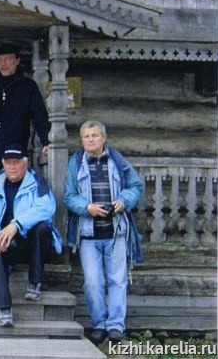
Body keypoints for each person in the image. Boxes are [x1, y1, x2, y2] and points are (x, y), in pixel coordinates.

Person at [64, 120, 143, 344]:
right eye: (86, 136)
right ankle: (98, 324)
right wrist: (86, 207)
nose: (90, 139)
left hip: (116, 231)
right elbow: (69, 196)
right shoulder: (76, 162)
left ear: (104, 138)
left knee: (118, 280)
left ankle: (116, 326)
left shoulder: (117, 160)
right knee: (93, 282)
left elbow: (135, 187)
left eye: (95, 135)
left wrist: (124, 201)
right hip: (88, 234)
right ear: (82, 140)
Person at [0, 143, 61, 328]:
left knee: (42, 228)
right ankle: (4, 308)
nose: (12, 167)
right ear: (3, 164)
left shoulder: (37, 181)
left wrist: (16, 224)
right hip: (8, 244)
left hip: (32, 244)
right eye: (8, 163)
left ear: (25, 164)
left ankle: (35, 282)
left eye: (16, 162)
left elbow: (46, 207)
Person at [0, 43, 51, 192]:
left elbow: (39, 114)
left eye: (8, 59)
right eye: (0, 60)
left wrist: (47, 140)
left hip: (14, 153)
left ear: (17, 61)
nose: (4, 63)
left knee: (14, 194)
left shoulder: (27, 87)